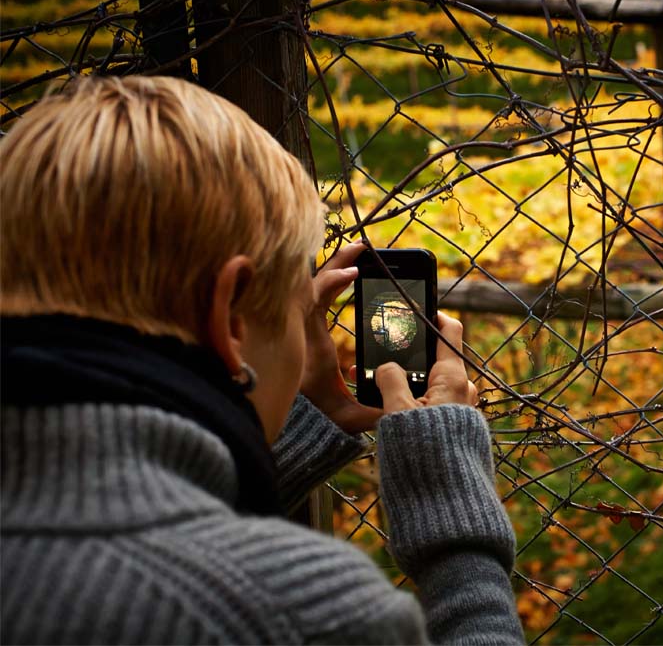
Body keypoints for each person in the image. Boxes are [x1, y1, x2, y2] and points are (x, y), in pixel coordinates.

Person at [0, 76, 525, 644]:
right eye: (298, 303)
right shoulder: (309, 614)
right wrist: (451, 512)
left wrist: (277, 419)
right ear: (229, 317)